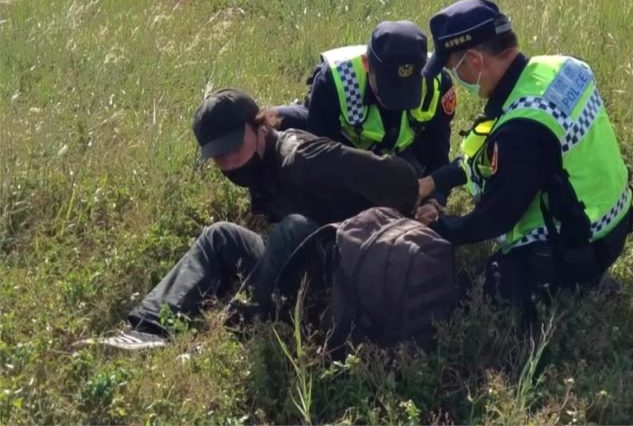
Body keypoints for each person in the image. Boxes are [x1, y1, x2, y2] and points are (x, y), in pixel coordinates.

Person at [76, 88, 418, 350]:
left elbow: (399, 179)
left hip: (346, 269)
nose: (227, 162)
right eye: (218, 156)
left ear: (260, 126)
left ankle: (244, 327)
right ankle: (149, 330)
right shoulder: (260, 166)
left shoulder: (303, 158)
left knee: (294, 228)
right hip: (303, 266)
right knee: (221, 235)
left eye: (233, 147)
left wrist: (418, 205)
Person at [416, 0, 633, 315]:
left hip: (583, 246)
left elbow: (494, 218)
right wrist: (431, 182)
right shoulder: (560, 68)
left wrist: (439, 229)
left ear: (476, 61)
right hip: (615, 220)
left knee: (485, 296)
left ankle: (582, 280)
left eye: (454, 67)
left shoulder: (524, 129)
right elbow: (481, 156)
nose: (456, 77)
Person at [267, 21, 457, 203]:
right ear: (367, 65)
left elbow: (438, 154)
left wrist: (434, 201)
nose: (397, 103)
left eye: (407, 91)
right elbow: (321, 159)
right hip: (344, 147)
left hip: (400, 150)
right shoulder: (334, 79)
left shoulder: (436, 83)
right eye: (389, 90)